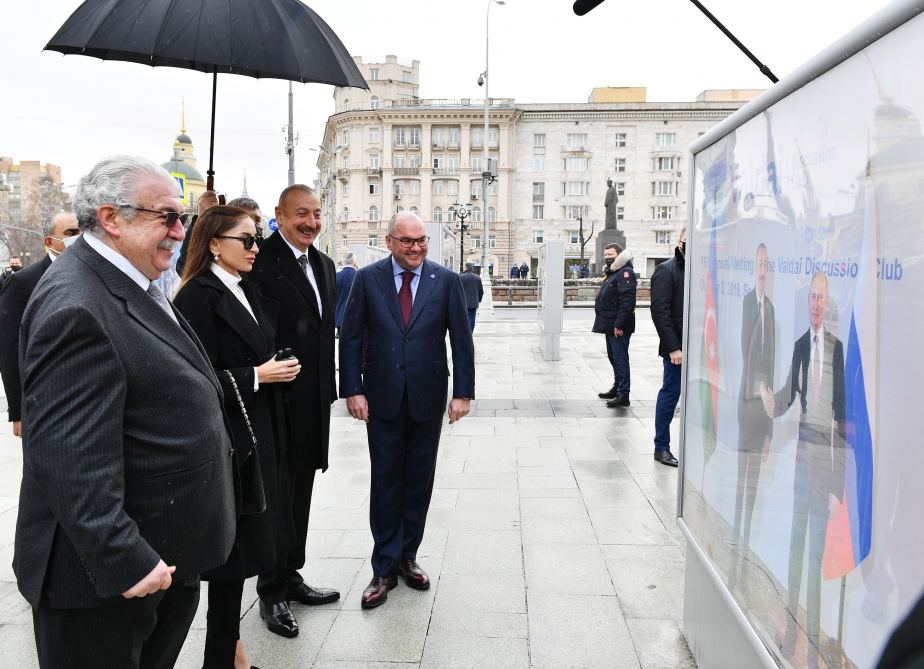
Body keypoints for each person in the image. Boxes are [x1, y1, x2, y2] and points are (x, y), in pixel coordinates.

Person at [14, 155, 237, 668]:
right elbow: (66, 459)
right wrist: (126, 558)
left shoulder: (127, 278)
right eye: (168, 217)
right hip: (108, 581)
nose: (180, 233)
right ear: (112, 219)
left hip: (160, 554)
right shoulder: (77, 304)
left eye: (183, 219)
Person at [174, 205, 299, 668]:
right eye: (245, 240)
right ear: (212, 244)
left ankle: (232, 654)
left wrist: (273, 366)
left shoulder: (243, 287)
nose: (255, 248)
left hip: (258, 430)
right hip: (229, 439)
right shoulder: (197, 296)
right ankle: (222, 659)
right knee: (230, 559)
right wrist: (256, 375)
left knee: (245, 551)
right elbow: (194, 377)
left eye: (256, 239)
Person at [339, 212, 474, 609]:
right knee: (385, 481)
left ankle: (407, 556)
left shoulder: (445, 281)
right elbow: (349, 338)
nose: (415, 248)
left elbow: (461, 341)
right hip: (380, 398)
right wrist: (353, 390)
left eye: (421, 241)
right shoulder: (367, 280)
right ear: (389, 242)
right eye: (407, 241)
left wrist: (462, 393)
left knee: (419, 480)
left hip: (427, 398)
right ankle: (383, 567)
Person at [248, 184, 339, 637]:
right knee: (276, 497)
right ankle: (271, 590)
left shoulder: (324, 264)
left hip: (313, 402)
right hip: (275, 401)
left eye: (317, 214)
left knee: (301, 490)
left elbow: (325, 335)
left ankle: (292, 574)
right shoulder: (259, 262)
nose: (311, 222)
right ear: (279, 216)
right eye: (301, 214)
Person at [763, 272, 845, 665]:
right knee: (797, 543)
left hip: (824, 462)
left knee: (816, 549)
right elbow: (790, 394)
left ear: (826, 304)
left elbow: (843, 420)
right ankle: (792, 620)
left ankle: (812, 634)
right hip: (801, 461)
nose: (815, 303)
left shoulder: (836, 350)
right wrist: (771, 403)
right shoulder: (800, 346)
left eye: (820, 298)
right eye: (811, 296)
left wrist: (838, 486)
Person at [0, 212, 80, 438]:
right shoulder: (23, 282)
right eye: (71, 233)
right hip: (43, 404)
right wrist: (18, 411)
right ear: (49, 242)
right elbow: (10, 348)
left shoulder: (93, 274)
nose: (79, 238)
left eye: (82, 232)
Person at [729, 243, 775, 589]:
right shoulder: (749, 303)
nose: (762, 269)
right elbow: (748, 349)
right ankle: (737, 530)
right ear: (753, 268)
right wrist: (759, 386)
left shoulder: (771, 309)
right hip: (748, 398)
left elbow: (770, 365)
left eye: (766, 265)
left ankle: (745, 536)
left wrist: (771, 427)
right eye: (758, 264)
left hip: (762, 406)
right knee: (742, 471)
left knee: (756, 475)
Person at [650, 227, 686, 467]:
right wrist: (673, 347)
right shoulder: (666, 270)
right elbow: (660, 312)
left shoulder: (703, 269)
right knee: (670, 394)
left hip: (701, 345)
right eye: (687, 239)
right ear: (680, 241)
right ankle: (661, 447)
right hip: (677, 349)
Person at [592, 243, 636, 408]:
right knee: (613, 358)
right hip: (610, 324)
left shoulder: (625, 273)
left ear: (619, 255)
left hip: (619, 327)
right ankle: (617, 388)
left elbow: (627, 301)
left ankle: (623, 394)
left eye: (611, 255)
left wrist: (618, 324)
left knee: (620, 359)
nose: (607, 257)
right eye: (606, 255)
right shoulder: (613, 273)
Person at [334, 252, 358, 335]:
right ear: (354, 262)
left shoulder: (335, 276)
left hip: (338, 318)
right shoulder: (359, 276)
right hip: (355, 319)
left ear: (343, 262)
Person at [458, 261, 484, 331]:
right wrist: (479, 300)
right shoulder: (477, 278)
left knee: (462, 319)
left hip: (462, 302)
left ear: (466, 267)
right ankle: (470, 332)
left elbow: (456, 290)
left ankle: (463, 332)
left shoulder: (460, 277)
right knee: (472, 318)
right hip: (473, 302)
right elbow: (481, 291)